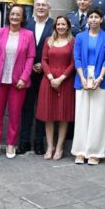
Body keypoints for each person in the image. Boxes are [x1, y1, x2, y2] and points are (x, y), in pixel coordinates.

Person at [0, 4, 36, 158]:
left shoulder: (28, 34)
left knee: (14, 116)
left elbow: (30, 58)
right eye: (12, 14)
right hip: (0, 80)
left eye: (18, 14)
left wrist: (24, 77)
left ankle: (10, 144)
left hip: (18, 82)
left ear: (22, 17)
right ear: (8, 15)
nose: (14, 17)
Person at [72, 8, 105, 165]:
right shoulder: (80, 37)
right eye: (91, 17)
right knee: (81, 115)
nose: (93, 20)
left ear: (101, 20)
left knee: (98, 116)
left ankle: (94, 152)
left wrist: (100, 78)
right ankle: (80, 151)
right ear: (87, 20)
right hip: (82, 77)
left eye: (97, 17)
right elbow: (77, 58)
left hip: (100, 79)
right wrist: (82, 77)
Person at [38, 16, 75, 160]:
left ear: (68, 26)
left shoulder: (72, 41)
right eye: (58, 24)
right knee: (49, 115)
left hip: (65, 81)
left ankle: (59, 147)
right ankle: (50, 146)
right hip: (49, 80)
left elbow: (73, 63)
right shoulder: (49, 41)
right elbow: (44, 60)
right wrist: (51, 77)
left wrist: (61, 78)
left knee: (63, 115)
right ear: (55, 26)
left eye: (63, 24)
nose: (60, 27)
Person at [19, 0, 53, 155]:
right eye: (38, 5)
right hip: (27, 73)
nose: (40, 8)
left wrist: (44, 65)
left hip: (46, 73)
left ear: (49, 8)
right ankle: (24, 141)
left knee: (42, 108)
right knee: (26, 108)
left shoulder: (54, 25)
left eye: (43, 5)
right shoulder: (26, 25)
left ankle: (39, 142)